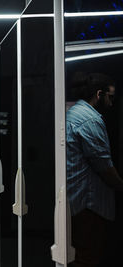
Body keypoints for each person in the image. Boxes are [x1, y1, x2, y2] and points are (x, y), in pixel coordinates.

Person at [66, 72, 123, 267]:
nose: (112, 102)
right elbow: (104, 167)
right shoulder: (89, 120)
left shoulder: (74, 113)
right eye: (111, 96)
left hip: (77, 203)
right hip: (87, 205)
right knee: (87, 259)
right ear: (99, 94)